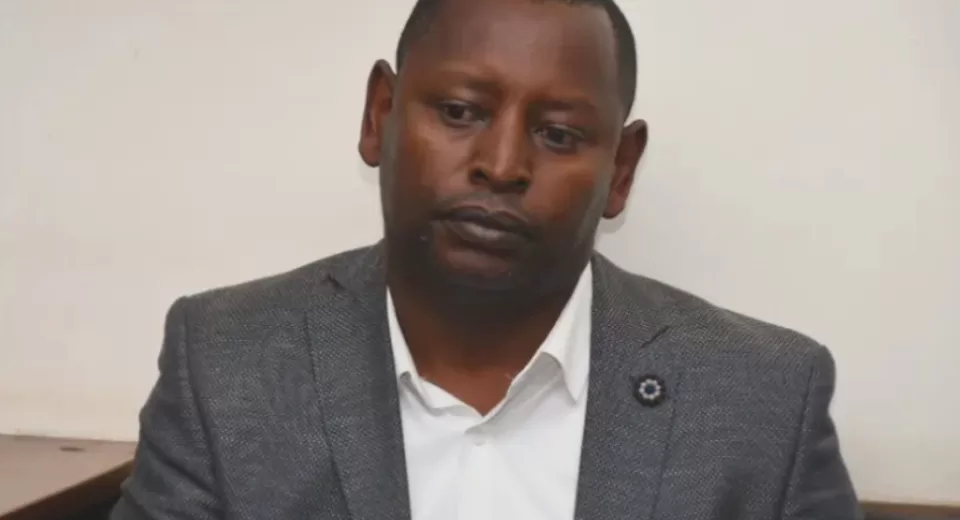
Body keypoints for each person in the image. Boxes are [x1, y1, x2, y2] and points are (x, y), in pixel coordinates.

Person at [112, 0, 862, 519]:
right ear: (380, 117)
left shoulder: (764, 397)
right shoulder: (225, 362)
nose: (502, 165)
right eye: (461, 112)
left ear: (621, 171)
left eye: (559, 134)